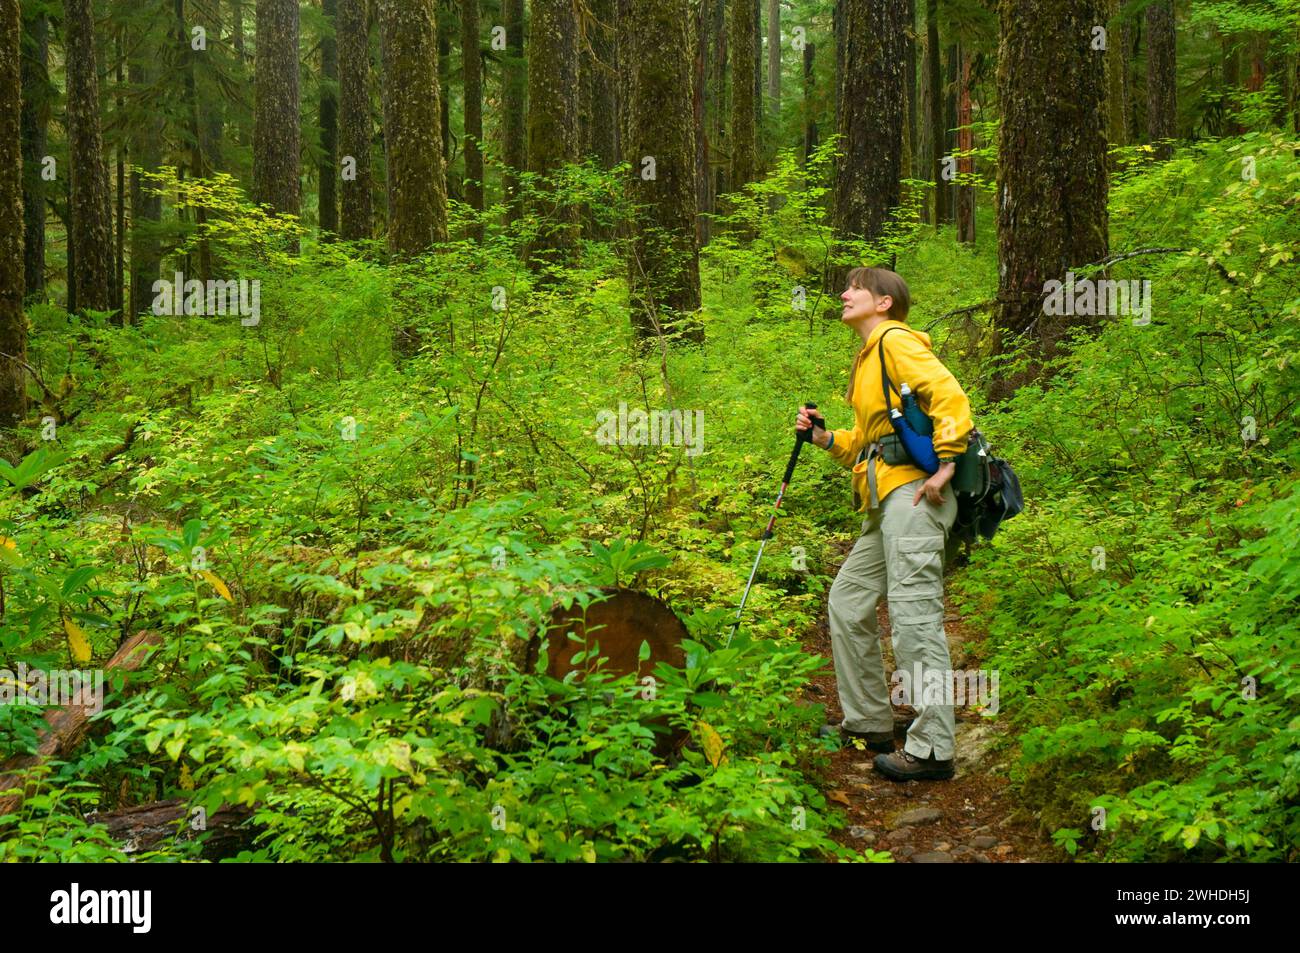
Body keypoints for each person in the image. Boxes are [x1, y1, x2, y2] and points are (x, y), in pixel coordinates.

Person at [796, 267, 973, 782]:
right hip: (887, 498)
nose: (844, 294)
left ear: (884, 303)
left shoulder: (895, 340)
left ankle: (934, 748)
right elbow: (873, 444)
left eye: (855, 289)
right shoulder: (870, 356)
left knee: (914, 615)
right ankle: (869, 721)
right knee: (849, 601)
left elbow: (950, 397)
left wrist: (946, 464)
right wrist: (828, 440)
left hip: (916, 496)